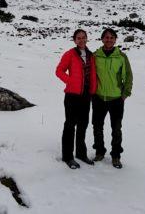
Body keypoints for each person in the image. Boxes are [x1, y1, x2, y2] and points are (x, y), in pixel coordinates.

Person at [55, 29, 97, 169]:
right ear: (74, 40)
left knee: (83, 125)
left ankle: (81, 153)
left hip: (86, 95)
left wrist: (92, 90)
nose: (81, 40)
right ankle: (67, 156)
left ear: (87, 39)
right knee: (70, 125)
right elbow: (59, 71)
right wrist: (70, 81)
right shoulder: (70, 54)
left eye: (83, 37)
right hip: (72, 95)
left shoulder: (91, 55)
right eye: (78, 38)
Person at [92, 28, 133, 169]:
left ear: (115, 39)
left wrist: (125, 94)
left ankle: (116, 155)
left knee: (116, 128)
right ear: (102, 39)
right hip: (98, 98)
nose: (109, 39)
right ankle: (99, 151)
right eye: (106, 37)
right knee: (97, 127)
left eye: (111, 37)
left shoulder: (121, 57)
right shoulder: (95, 56)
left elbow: (128, 76)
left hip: (116, 99)